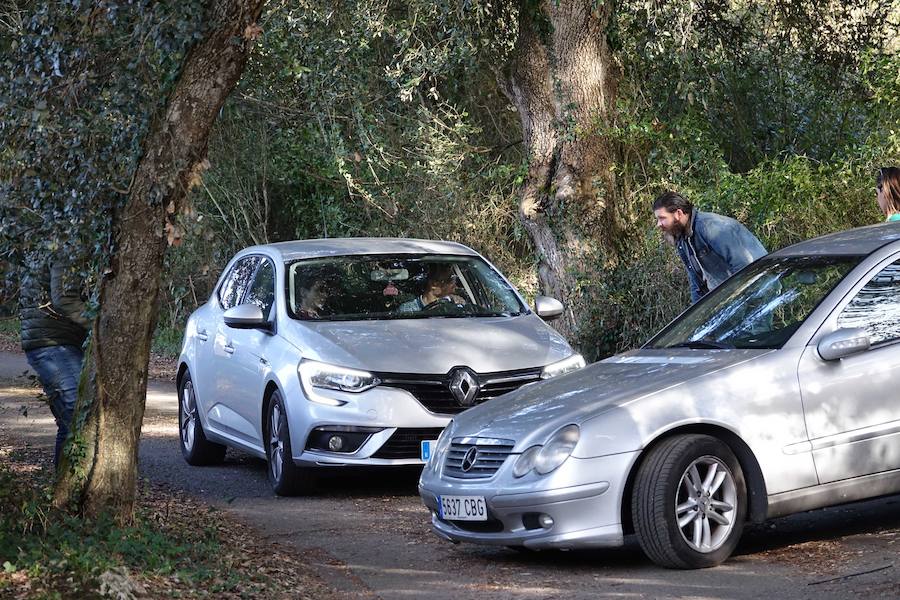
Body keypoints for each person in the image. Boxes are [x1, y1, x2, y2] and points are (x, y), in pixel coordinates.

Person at [18, 252, 90, 466]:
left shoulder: (55, 239)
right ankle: (68, 491)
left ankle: (64, 491)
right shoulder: (68, 243)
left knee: (69, 422)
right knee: (77, 416)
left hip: (54, 342)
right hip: (52, 343)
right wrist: (101, 323)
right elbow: (64, 299)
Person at [653, 191, 767, 303]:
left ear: (678, 213)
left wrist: (735, 301)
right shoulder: (682, 239)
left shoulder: (709, 226)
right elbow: (696, 282)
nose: (658, 224)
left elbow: (743, 264)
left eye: (662, 218)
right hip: (734, 297)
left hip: (758, 289)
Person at [398, 263, 466, 312]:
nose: (455, 285)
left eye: (454, 279)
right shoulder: (407, 310)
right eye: (449, 280)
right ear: (434, 284)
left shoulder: (455, 305)